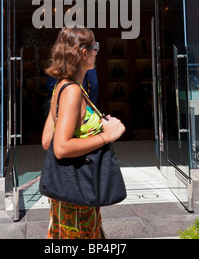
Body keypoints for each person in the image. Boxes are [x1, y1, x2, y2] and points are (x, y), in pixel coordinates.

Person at [41, 26, 125, 239]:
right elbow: (60, 148)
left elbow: (46, 141)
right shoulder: (73, 91)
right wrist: (108, 135)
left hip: (70, 194)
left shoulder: (61, 87)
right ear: (83, 52)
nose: (98, 51)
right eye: (95, 46)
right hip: (77, 195)